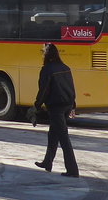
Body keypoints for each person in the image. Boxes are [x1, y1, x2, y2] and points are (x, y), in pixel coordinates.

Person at [33, 42, 79, 177]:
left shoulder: (47, 70)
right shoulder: (65, 67)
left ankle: (72, 170)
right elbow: (71, 87)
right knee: (53, 134)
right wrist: (73, 104)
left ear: (45, 55)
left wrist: (36, 105)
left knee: (63, 138)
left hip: (56, 107)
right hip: (67, 104)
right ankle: (47, 162)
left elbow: (44, 90)